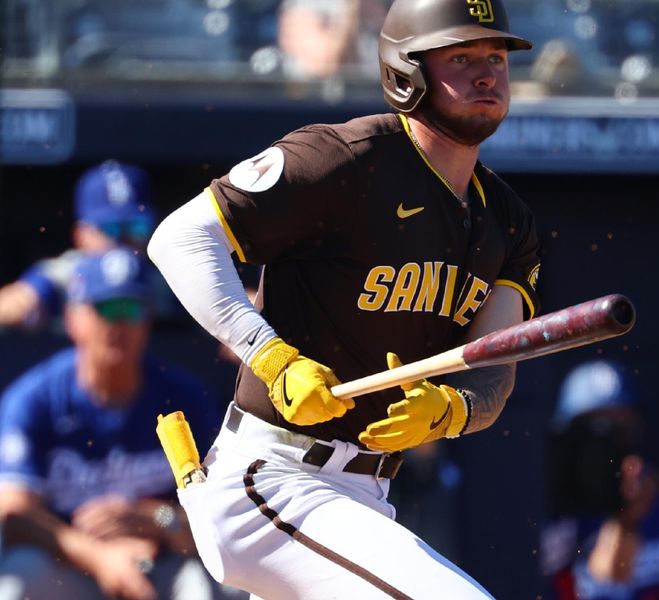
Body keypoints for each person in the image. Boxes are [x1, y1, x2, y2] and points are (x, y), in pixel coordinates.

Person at [147, 0, 540, 597]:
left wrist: (452, 409)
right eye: (460, 57)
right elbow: (179, 238)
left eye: (495, 56)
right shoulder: (345, 160)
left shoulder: (507, 220)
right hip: (271, 481)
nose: (487, 72)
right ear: (405, 72)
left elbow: (492, 370)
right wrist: (270, 356)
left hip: (366, 495)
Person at [0, 248, 239, 600]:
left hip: (161, 564)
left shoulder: (183, 398)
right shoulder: (36, 398)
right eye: (106, 309)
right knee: (20, 576)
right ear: (73, 319)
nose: (120, 324)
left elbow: (224, 519)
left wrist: (156, 518)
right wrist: (98, 558)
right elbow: (14, 515)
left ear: (147, 320)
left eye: (132, 309)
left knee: (228, 579)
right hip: (68, 563)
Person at [540, 360, 659, 600]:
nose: (608, 443)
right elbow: (602, 584)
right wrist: (622, 524)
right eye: (596, 429)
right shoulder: (546, 514)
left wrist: (628, 518)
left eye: (621, 428)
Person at [0, 160, 168, 331]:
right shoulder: (63, 276)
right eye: (111, 229)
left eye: (136, 227)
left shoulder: (166, 278)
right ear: (81, 235)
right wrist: (24, 306)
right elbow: (14, 302)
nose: (124, 239)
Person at [277, 0, 390, 80]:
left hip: (376, 94)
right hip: (322, 100)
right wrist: (351, 9)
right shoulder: (304, 6)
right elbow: (327, 64)